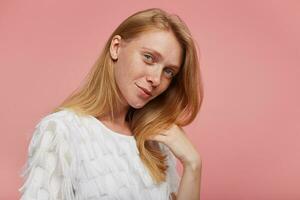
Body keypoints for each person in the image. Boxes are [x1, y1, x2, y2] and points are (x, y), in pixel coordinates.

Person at [19, 8, 204, 200]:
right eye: (149, 58)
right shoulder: (61, 131)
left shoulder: (156, 141)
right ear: (116, 47)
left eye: (169, 72)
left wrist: (193, 165)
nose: (156, 79)